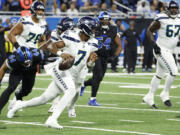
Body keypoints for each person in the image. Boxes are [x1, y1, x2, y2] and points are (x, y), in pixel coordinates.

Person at [8, 16, 98, 129]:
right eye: (93, 28)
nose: (94, 30)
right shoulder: (71, 36)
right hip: (61, 70)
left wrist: (91, 63)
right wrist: (61, 54)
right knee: (71, 90)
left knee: (44, 99)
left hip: (73, 74)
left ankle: (19, 105)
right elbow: (51, 45)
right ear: (85, 28)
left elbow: (88, 65)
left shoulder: (93, 43)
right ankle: (52, 119)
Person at [0, 0, 47, 114]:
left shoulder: (43, 24)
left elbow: (42, 40)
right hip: (20, 58)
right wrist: (18, 47)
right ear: (33, 10)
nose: (40, 12)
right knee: (11, 87)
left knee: (27, 90)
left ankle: (17, 98)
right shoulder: (25, 22)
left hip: (32, 59)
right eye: (38, 9)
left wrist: (40, 50)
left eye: (42, 10)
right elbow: (11, 34)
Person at [143, 0, 179, 109]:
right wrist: (154, 45)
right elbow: (149, 30)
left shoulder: (179, 19)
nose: (174, 10)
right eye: (172, 8)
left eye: (175, 8)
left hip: (170, 50)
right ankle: (165, 93)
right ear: (168, 9)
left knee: (159, 74)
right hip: (161, 49)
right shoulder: (162, 18)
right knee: (173, 71)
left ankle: (149, 96)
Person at [80, 11, 122, 106]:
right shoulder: (94, 29)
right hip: (95, 55)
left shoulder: (113, 29)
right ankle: (92, 99)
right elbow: (85, 41)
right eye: (103, 19)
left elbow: (119, 45)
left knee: (99, 78)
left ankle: (83, 84)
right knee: (98, 75)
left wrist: (114, 56)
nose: (105, 21)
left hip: (105, 57)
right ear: (100, 19)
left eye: (107, 19)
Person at [39, 17, 75, 113]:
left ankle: (70, 107)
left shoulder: (75, 35)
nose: (60, 31)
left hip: (74, 59)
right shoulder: (55, 33)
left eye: (62, 30)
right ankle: (56, 105)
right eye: (60, 29)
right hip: (62, 57)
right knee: (61, 82)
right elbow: (51, 44)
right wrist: (39, 49)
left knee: (75, 85)